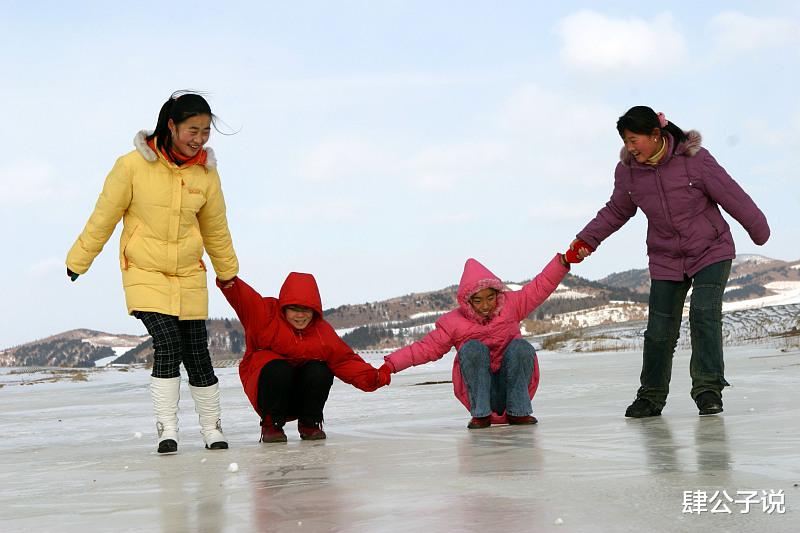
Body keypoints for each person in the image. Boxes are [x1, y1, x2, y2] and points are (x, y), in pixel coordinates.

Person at [66, 92, 239, 454]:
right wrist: (80, 259)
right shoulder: (131, 166)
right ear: (171, 126)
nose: (200, 139)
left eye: (206, 131)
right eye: (193, 129)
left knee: (197, 352)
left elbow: (216, 230)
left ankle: (212, 428)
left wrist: (229, 274)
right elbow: (105, 216)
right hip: (144, 271)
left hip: (189, 274)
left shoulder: (206, 174)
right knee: (167, 342)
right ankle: (168, 430)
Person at [570, 106, 770, 418]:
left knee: (704, 314)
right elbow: (616, 210)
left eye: (634, 139)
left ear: (656, 134)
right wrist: (586, 239)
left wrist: (758, 229)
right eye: (625, 140)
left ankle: (708, 390)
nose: (630, 147)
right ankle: (650, 397)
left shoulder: (695, 160)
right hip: (666, 256)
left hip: (710, 248)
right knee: (659, 331)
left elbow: (732, 194)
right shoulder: (628, 172)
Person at [380, 251, 582, 429]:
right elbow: (424, 348)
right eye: (478, 300)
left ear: (497, 294)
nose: (485, 305)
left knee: (521, 347)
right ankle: (481, 414)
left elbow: (540, 286)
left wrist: (563, 261)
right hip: (479, 392)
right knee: (472, 348)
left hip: (512, 386)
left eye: (490, 298)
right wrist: (390, 366)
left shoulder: (511, 305)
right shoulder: (454, 322)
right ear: (467, 301)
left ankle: (518, 412)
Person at [217, 273, 391, 442]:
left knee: (320, 369)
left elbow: (344, 360)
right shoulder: (265, 315)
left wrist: (375, 377)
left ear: (314, 310)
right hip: (268, 390)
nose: (300, 315)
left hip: (299, 395)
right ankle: (272, 426)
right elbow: (244, 298)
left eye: (306, 310)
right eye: (294, 309)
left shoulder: (322, 332)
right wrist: (228, 279)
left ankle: (310, 423)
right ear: (284, 306)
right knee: (278, 368)